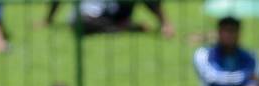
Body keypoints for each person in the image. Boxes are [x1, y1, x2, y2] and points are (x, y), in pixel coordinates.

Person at [192, 17, 259, 86]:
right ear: (218, 32)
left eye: (232, 31)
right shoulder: (203, 54)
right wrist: (246, 77)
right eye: (226, 31)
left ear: (239, 34)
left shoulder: (250, 56)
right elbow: (211, 77)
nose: (229, 35)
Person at [45, 0, 174, 38]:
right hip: (88, 16)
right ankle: (124, 27)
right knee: (79, 22)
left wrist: (165, 23)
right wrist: (48, 20)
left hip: (114, 11)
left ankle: (165, 24)